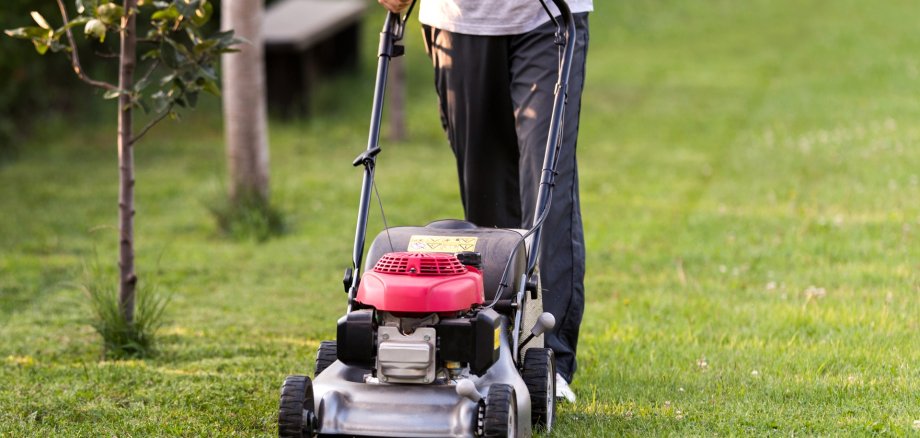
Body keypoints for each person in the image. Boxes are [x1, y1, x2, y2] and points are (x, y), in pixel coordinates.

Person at [379, 0, 592, 402]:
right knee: (486, 200)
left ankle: (548, 361)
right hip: (459, 20)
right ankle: (496, 346)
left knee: (548, 180)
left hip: (547, 16)